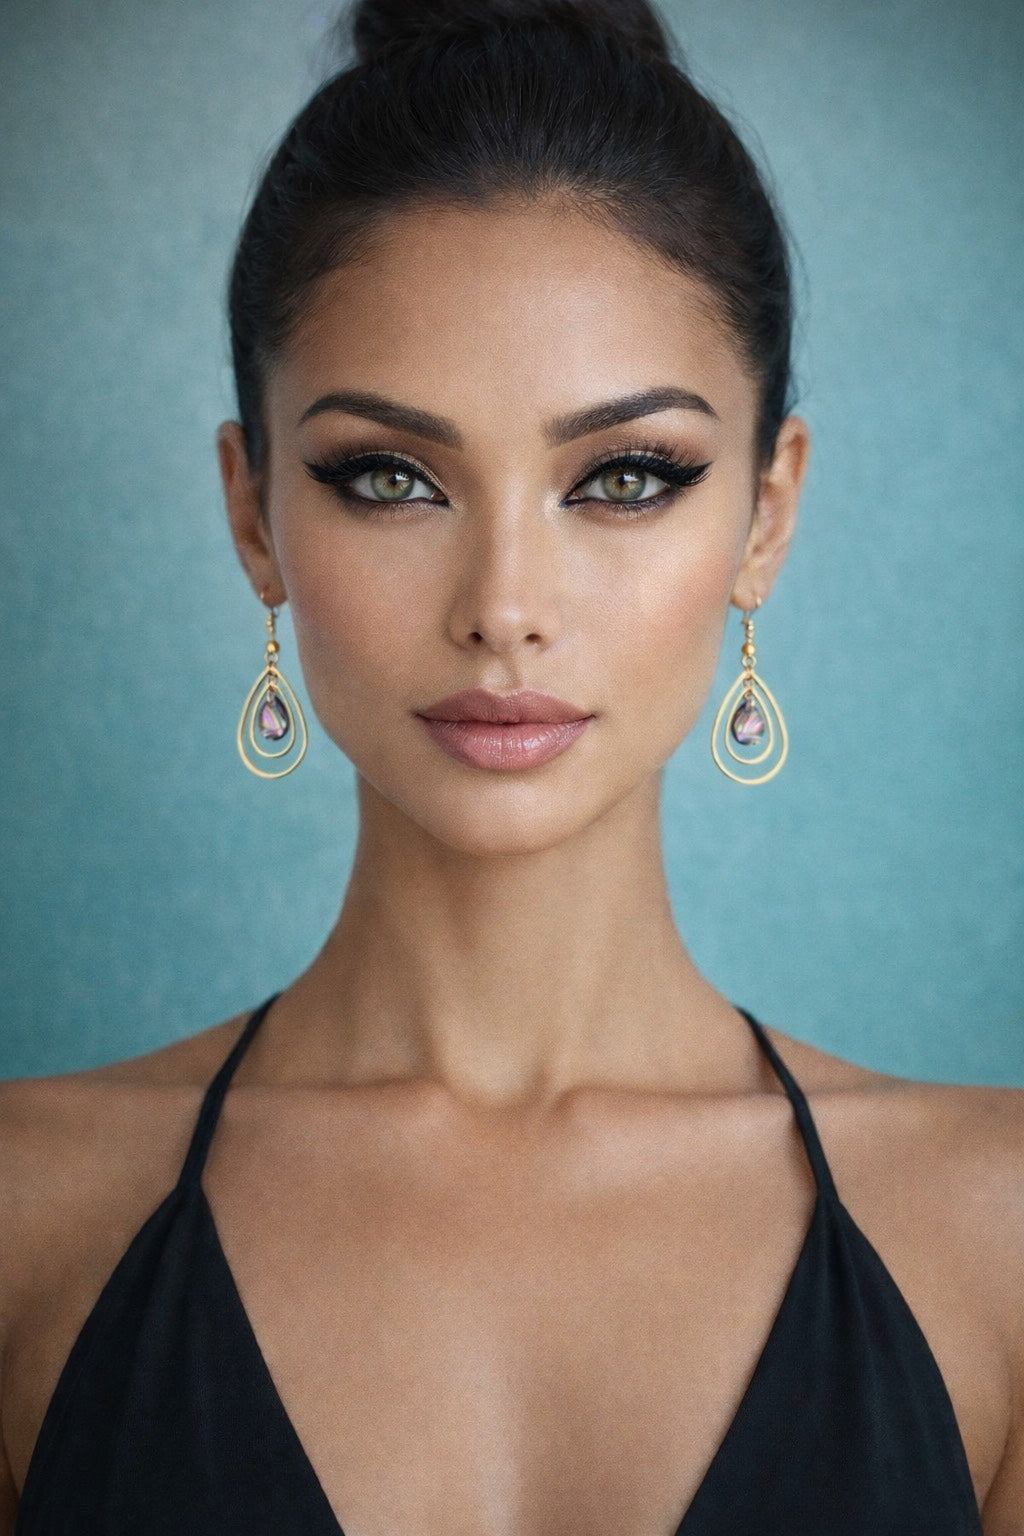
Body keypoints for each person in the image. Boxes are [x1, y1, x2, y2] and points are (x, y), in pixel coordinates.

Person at [1, 0, 1021, 1529]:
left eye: (624, 478)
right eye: (390, 478)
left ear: (765, 511)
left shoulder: (998, 1235)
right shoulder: (24, 1218)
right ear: (256, 513)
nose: (503, 609)